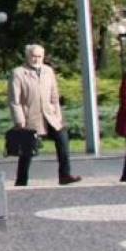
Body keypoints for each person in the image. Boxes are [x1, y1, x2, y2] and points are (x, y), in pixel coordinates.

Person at [8, 44, 82, 187]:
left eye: (39, 56)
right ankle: (21, 180)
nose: (36, 59)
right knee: (27, 151)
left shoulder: (48, 71)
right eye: (33, 56)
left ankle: (64, 174)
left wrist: (58, 116)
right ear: (27, 56)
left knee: (63, 139)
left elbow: (54, 96)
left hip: (49, 116)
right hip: (29, 117)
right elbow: (14, 100)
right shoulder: (18, 73)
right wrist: (19, 120)